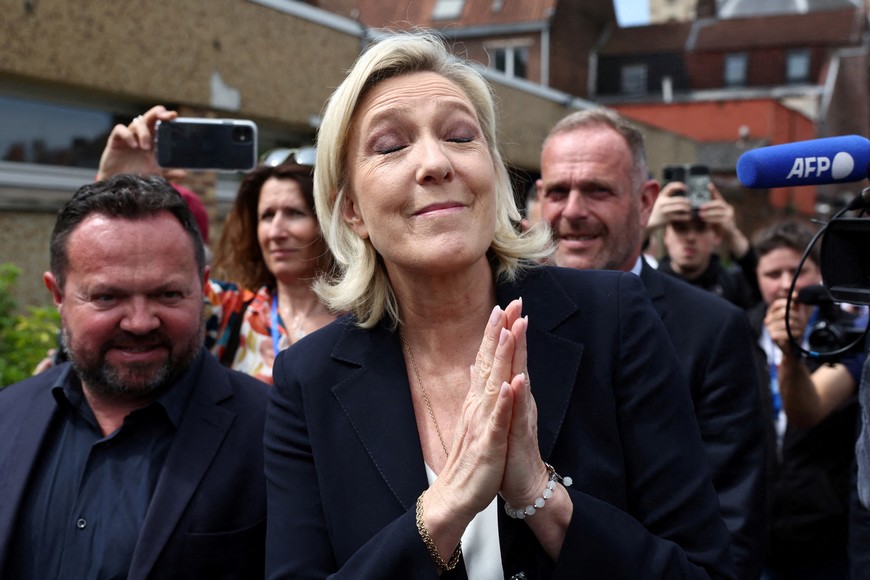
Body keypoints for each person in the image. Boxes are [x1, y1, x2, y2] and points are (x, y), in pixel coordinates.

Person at [264, 31, 735, 578]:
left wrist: (540, 496)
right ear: (351, 212)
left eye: (461, 136)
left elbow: (705, 570)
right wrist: (442, 509)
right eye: (391, 146)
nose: (435, 163)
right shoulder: (307, 379)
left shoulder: (615, 319)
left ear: (492, 173)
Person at [535, 106, 767, 579]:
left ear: (646, 202)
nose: (573, 211)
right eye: (558, 191)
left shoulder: (712, 329)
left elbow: (731, 525)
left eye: (598, 190)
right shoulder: (501, 316)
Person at [0, 175, 269, 578]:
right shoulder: (7, 417)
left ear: (203, 287)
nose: (140, 322)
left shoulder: (275, 432)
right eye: (108, 297)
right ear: (57, 295)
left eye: (168, 295)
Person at [92, 106, 338, 384]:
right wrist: (115, 189)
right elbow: (123, 275)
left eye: (295, 213)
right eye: (267, 216)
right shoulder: (228, 312)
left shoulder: (371, 318)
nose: (276, 232)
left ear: (329, 222)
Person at [749, 218, 866, 578]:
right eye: (773, 274)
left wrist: (790, 353)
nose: (786, 285)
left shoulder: (848, 334)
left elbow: (807, 410)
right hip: (752, 528)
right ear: (756, 276)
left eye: (797, 271)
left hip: (824, 534)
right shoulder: (733, 329)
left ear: (820, 273)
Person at [650, 177, 761, 309]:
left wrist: (732, 234)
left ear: (717, 235)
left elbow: (763, 289)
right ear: (665, 236)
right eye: (680, 228)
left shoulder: (731, 284)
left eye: (700, 228)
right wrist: (649, 225)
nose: (690, 237)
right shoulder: (651, 283)